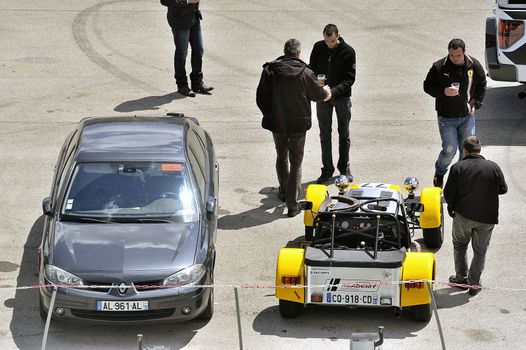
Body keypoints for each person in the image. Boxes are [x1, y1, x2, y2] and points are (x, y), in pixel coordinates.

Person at [256, 39, 330, 217]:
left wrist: (270, 113)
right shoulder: (306, 73)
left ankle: (283, 190)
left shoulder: (270, 71)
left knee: (281, 156)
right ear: (298, 53)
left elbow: (260, 98)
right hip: (298, 125)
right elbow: (318, 95)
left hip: (277, 123)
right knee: (296, 162)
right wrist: (326, 90)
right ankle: (292, 204)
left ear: (284, 52)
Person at [443, 136, 507, 295]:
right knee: (480, 251)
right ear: (480, 149)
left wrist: (452, 208)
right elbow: (503, 189)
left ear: (464, 150)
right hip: (487, 218)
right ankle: (474, 284)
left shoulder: (458, 168)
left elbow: (448, 193)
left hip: (463, 216)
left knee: (460, 245)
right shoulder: (493, 167)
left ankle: (460, 278)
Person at [424, 38, 486, 188]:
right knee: (449, 150)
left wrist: (476, 104)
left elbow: (482, 84)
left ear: (464, 52)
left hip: (467, 117)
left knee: (467, 152)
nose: (455, 58)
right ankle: (439, 173)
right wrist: (443, 91)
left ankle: (460, 179)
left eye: (458, 55)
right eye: (452, 55)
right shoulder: (439, 67)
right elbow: (427, 86)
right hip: (446, 118)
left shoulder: (474, 65)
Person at [309, 24, 356, 184]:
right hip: (323, 97)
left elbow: (350, 79)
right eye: (326, 40)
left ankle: (344, 167)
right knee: (324, 134)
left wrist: (333, 92)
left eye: (331, 41)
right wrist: (318, 86)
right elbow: (311, 70)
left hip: (341, 98)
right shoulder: (318, 47)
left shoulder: (348, 52)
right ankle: (327, 169)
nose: (328, 44)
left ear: (338, 36)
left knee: (344, 133)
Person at [161, 0, 213, 97]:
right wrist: (187, 1)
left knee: (199, 49)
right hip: (179, 20)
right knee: (182, 53)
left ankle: (197, 82)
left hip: (194, 17)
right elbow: (165, 1)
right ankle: (182, 85)